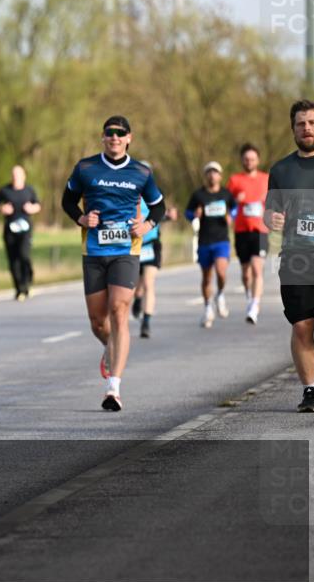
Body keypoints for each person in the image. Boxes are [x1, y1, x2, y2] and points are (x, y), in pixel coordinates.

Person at [61, 116, 166, 411]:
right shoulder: (85, 168)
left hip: (125, 251)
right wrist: (81, 218)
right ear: (103, 137)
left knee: (119, 309)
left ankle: (113, 388)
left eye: (120, 134)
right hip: (94, 250)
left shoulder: (141, 172)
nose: (115, 138)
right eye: (110, 133)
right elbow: (67, 201)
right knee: (98, 321)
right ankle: (110, 348)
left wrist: (146, 226)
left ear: (129, 138)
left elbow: (159, 206)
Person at [264, 99, 314, 413]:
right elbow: (270, 212)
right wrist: (271, 219)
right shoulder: (281, 170)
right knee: (302, 326)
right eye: (301, 123)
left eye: (312, 122)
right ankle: (310, 390)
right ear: (293, 129)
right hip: (296, 260)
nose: (307, 128)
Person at [185, 162, 236, 328]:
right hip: (204, 241)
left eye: (215, 172)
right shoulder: (199, 195)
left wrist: (231, 217)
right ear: (206, 176)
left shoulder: (226, 194)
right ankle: (207, 308)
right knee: (207, 277)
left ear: (220, 176)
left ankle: (220, 294)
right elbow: (187, 212)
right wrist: (194, 214)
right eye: (209, 172)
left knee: (221, 272)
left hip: (221, 240)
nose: (212, 175)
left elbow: (235, 209)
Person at [227, 143, 270, 324]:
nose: (249, 162)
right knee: (246, 273)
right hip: (241, 231)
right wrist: (236, 201)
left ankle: (255, 304)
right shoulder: (235, 180)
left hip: (260, 230)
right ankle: (249, 296)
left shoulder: (266, 179)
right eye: (246, 159)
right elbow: (226, 205)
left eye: (252, 159)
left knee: (256, 268)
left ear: (258, 160)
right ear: (242, 161)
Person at [131, 195, 178, 339]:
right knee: (136, 286)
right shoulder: (125, 190)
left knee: (148, 283)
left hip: (151, 245)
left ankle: (146, 322)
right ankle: (138, 300)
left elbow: (158, 213)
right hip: (132, 246)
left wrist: (169, 216)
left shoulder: (153, 193)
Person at [0, 165, 41, 301]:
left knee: (24, 256)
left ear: (23, 176)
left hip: (25, 229)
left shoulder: (29, 190)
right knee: (13, 260)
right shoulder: (5, 190)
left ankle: (27, 283)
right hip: (10, 229)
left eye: (18, 175)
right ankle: (19, 289)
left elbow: (38, 205)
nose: (16, 177)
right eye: (13, 175)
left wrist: (32, 208)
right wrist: (2, 208)